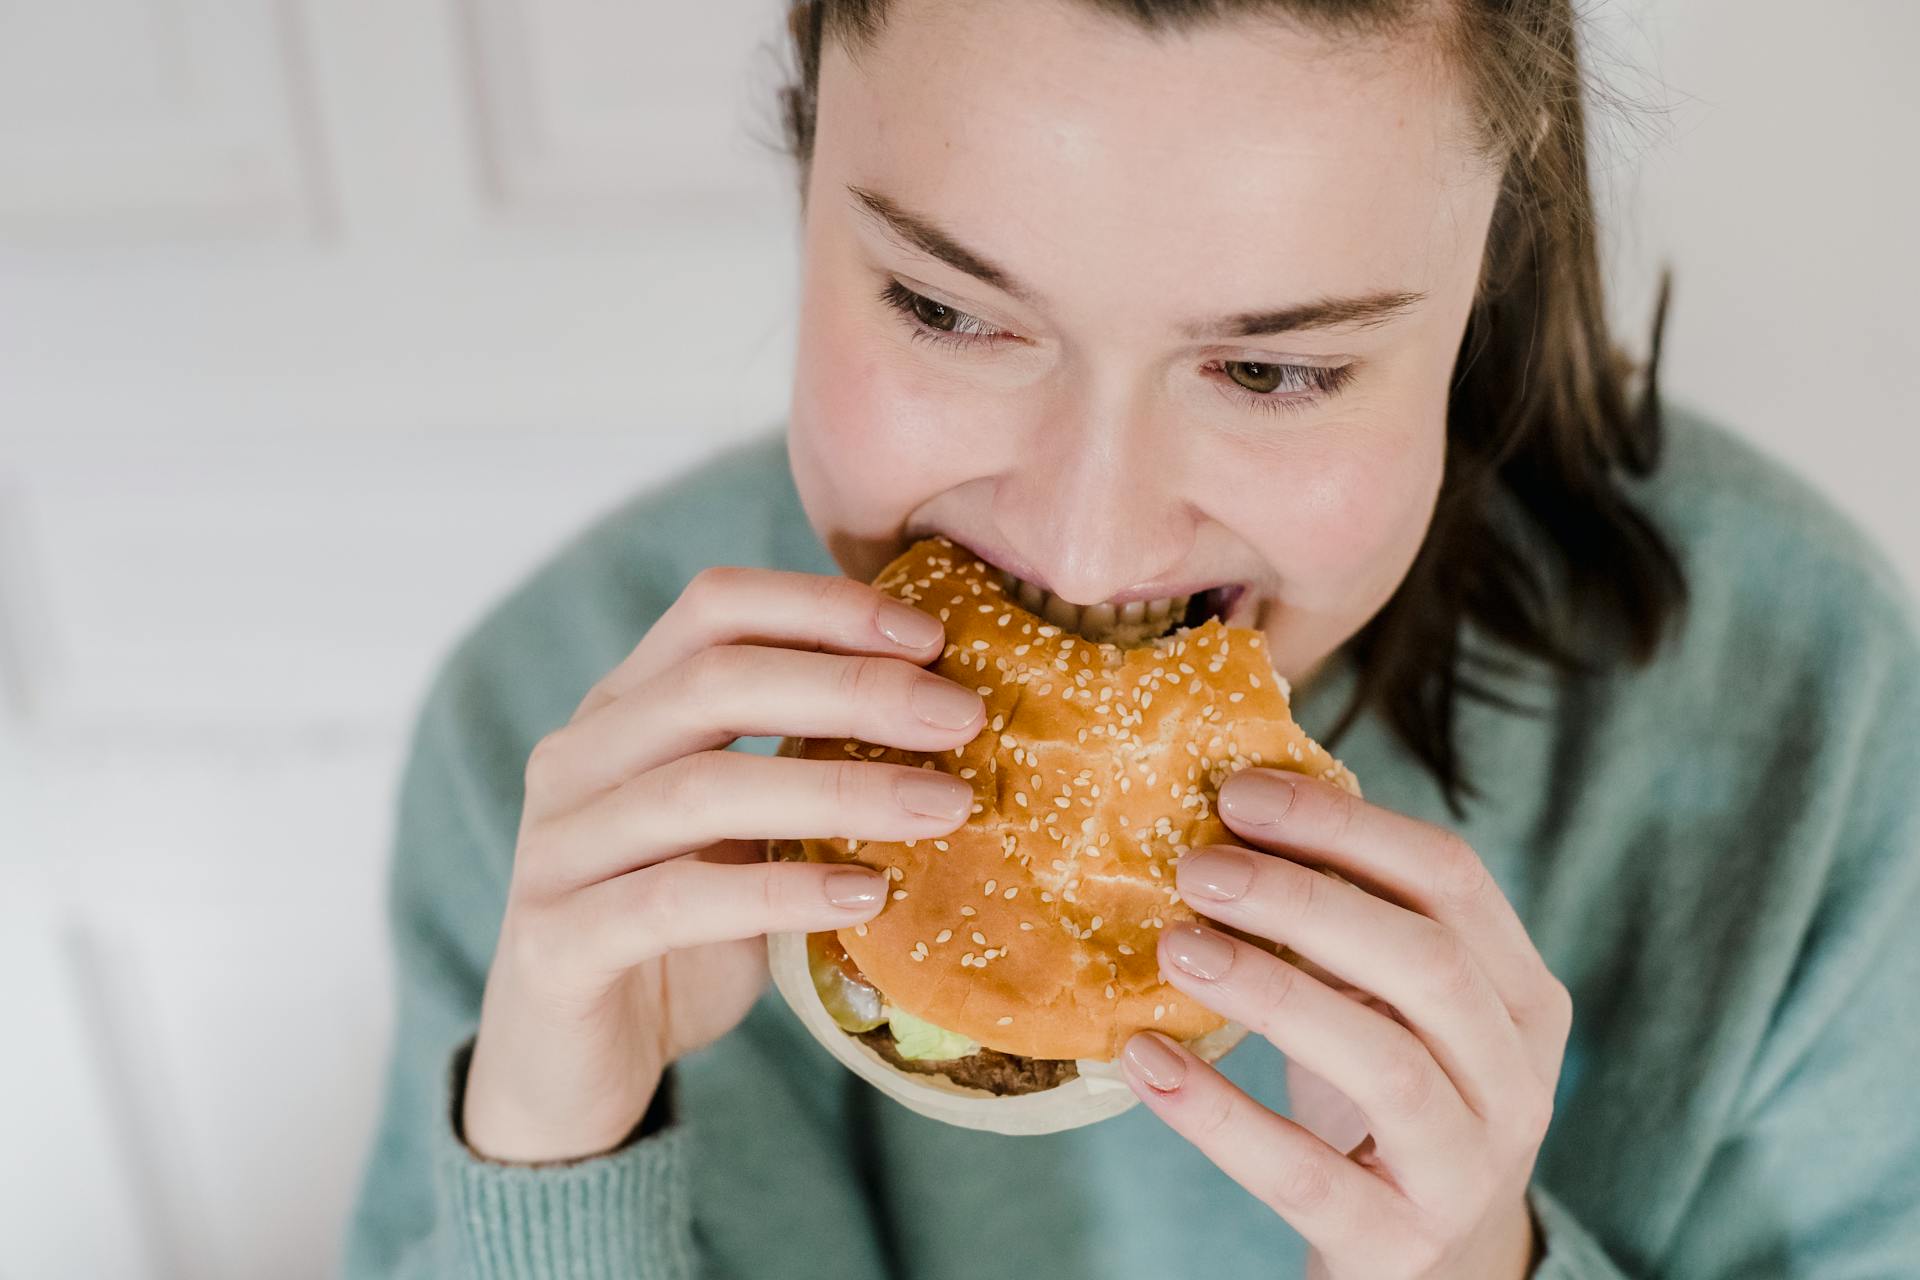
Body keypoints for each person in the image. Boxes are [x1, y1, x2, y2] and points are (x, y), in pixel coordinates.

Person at [340, 1, 1920, 1276]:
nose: (1089, 551)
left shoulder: (1819, 714)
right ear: (807, 152)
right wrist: (557, 1178)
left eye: (1272, 373)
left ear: (1483, 287)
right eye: (947, 312)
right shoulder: (556, 737)